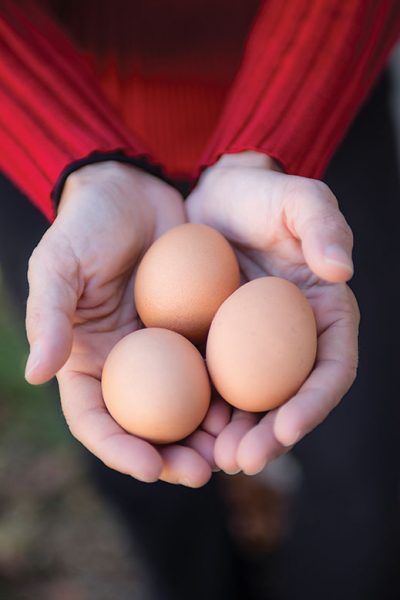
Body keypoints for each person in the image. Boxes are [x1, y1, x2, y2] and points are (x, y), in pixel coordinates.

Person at [0, 1, 399, 598]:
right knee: (145, 471)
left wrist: (269, 141)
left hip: (306, 104)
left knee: (370, 465)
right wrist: (82, 164)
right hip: (50, 141)